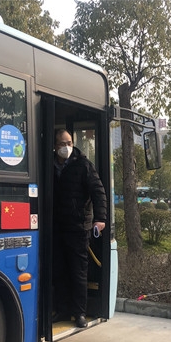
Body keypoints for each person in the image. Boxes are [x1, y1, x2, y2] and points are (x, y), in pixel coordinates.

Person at [52, 129, 107, 328]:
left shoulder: (83, 165)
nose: (66, 147)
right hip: (57, 227)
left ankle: (79, 313)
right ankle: (62, 310)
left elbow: (98, 192)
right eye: (62, 143)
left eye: (69, 143)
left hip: (79, 227)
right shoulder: (50, 165)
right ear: (55, 146)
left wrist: (100, 219)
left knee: (78, 272)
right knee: (59, 271)